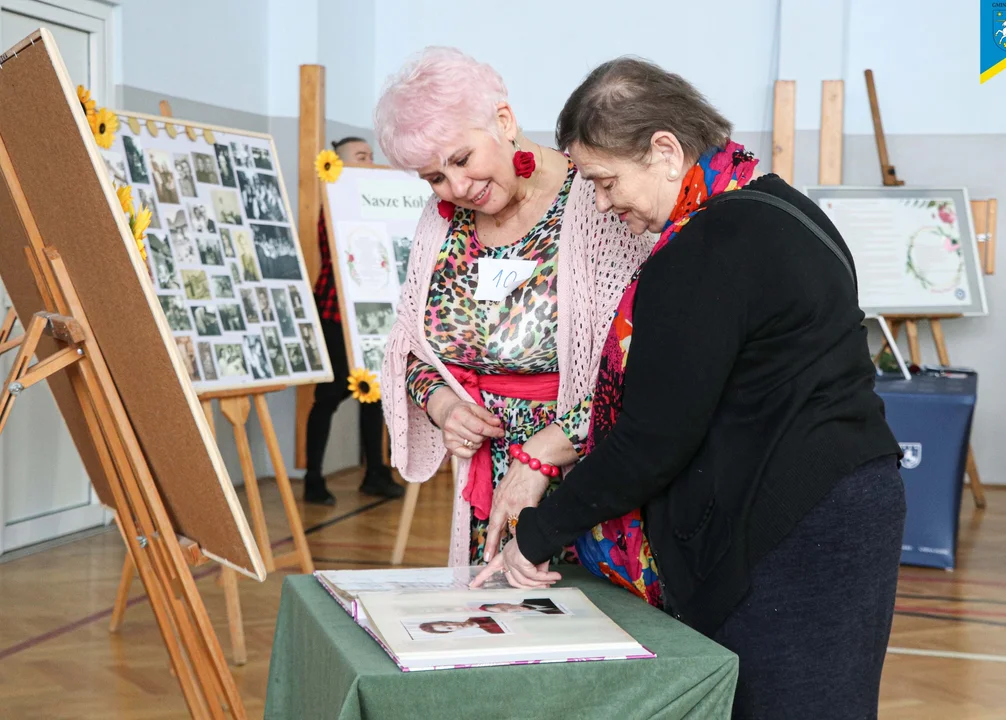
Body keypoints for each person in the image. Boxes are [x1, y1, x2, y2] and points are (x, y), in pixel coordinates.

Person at [474, 57, 906, 718]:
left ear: (666, 150)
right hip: (850, 497)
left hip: (794, 521)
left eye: (605, 180)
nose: (604, 203)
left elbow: (652, 442)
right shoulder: (782, 208)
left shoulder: (707, 249)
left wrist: (535, 535)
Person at [376, 47, 653, 567]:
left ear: (504, 120)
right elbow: (412, 349)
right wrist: (445, 407)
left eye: (461, 160)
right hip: (491, 482)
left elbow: (639, 365)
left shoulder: (597, 199)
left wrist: (544, 453)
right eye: (434, 178)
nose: (456, 188)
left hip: (589, 476)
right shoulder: (441, 223)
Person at [304, 136, 403, 505]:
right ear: (340, 165)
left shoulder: (370, 202)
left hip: (372, 313)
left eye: (371, 155)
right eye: (361, 157)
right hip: (334, 312)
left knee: (373, 394)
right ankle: (313, 477)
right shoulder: (334, 203)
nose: (369, 161)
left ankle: (375, 471)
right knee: (328, 396)